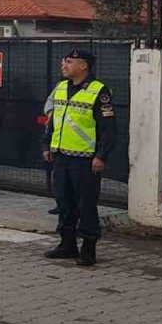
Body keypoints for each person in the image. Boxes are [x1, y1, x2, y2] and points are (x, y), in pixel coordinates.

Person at [42, 49, 116, 267]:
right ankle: (67, 244)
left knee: (86, 205)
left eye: (69, 61)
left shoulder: (99, 91)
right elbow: (54, 119)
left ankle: (88, 248)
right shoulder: (61, 87)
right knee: (64, 202)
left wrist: (101, 156)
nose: (63, 65)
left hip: (85, 159)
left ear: (83, 66)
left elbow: (108, 129)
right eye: (63, 61)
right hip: (62, 156)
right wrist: (47, 144)